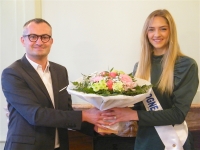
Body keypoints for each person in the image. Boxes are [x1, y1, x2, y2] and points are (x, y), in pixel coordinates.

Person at [100, 9, 199, 150]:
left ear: (171, 32)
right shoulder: (140, 67)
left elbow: (178, 114)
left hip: (175, 141)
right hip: (145, 141)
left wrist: (133, 114)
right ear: (146, 34)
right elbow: (139, 108)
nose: (157, 34)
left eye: (163, 29)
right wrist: (111, 113)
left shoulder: (186, 65)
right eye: (151, 29)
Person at [1, 18, 104, 150]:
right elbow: (36, 115)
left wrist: (94, 127)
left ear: (51, 41)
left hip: (59, 146)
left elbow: (65, 111)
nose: (39, 42)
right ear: (23, 40)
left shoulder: (60, 71)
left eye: (44, 37)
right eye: (33, 37)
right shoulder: (12, 73)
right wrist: (85, 115)